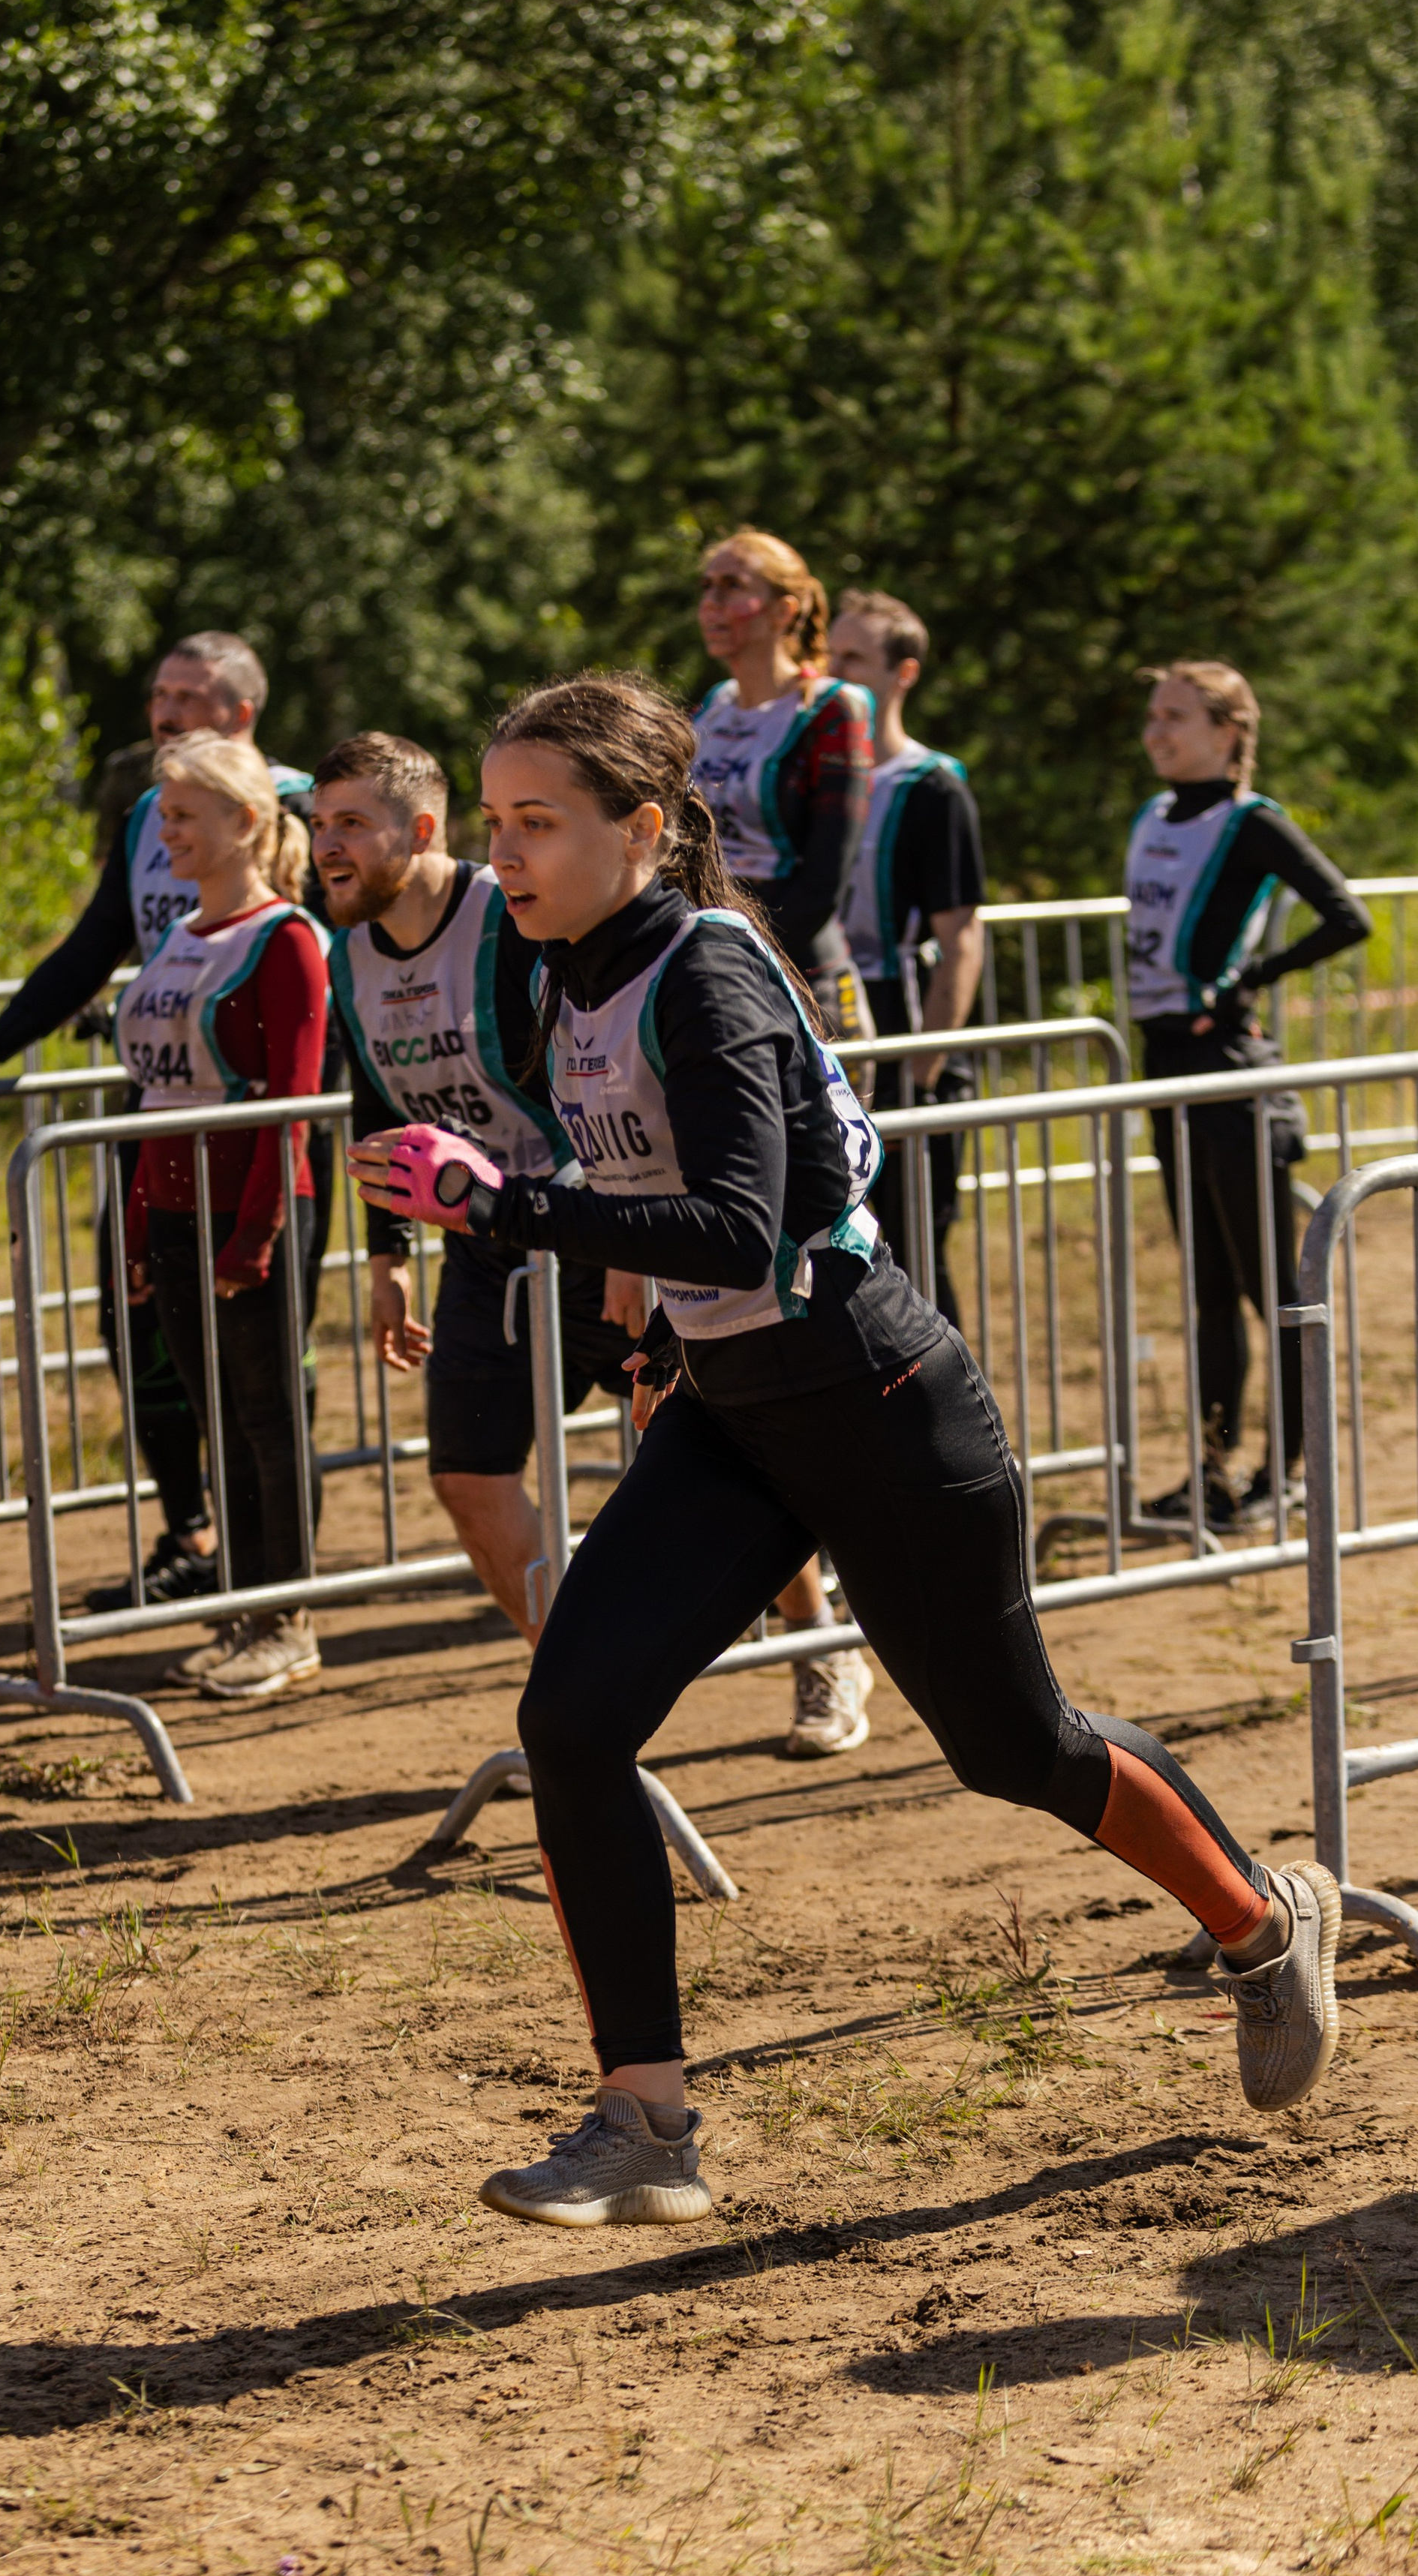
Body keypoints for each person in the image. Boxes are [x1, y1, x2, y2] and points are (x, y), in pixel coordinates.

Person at [352, 672, 1342, 2230]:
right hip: (735, 1418)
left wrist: (503, 1208)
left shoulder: (707, 972)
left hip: (878, 1404)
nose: (507, 857)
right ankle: (643, 2124)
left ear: (646, 828)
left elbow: (737, 1223)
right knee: (572, 1719)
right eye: (493, 824)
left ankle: (1258, 1920)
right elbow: (653, 1202)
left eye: (537, 823)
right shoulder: (564, 975)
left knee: (1012, 1749)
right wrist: (633, 1333)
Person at [0, 632, 314, 1608]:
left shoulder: (290, 806)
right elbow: (88, 953)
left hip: (260, 1121)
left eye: (191, 696)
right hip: (158, 1128)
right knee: (135, 1330)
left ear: (241, 717)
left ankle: (277, 1579)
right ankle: (194, 1534)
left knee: (261, 1371)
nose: (166, 710)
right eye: (159, 693)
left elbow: (319, 979)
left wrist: (302, 1117)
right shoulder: (152, 812)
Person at [316, 731, 641, 1640]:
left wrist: (631, 1239)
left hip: (590, 1217)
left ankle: (819, 1649)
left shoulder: (512, 919)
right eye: (316, 826)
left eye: (351, 824)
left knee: (700, 1450)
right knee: (467, 1475)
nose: (326, 847)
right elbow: (377, 1103)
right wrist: (388, 1256)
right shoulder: (348, 957)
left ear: (421, 829)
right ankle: (581, 1686)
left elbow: (601, 1070)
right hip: (480, 1239)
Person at [693, 529, 878, 1756]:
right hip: (692, 982)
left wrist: (726, 959)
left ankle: (849, 1618)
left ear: (789, 604)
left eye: (734, 586)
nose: (714, 605)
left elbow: (821, 870)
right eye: (704, 588)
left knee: (811, 1281)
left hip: (789, 983)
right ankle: (788, 1598)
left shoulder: (832, 712)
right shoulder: (705, 710)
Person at [1129, 663, 1371, 1530]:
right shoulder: (1155, 815)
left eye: (1176, 717)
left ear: (1229, 732)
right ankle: (1212, 1470)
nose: (1156, 731)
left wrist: (1246, 982)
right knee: (1206, 1288)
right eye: (1152, 716)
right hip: (1163, 1064)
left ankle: (1292, 1469)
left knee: (1276, 1287)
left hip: (1232, 1072)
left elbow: (1347, 915)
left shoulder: (1250, 821)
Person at [119, 731, 328, 1701]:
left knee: (265, 1418)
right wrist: (135, 1230)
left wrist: (256, 1233)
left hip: (249, 1214)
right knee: (214, 1419)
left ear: (245, 822)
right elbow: (151, 1105)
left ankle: (287, 1617)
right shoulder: (174, 937)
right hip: (171, 1210)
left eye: (186, 817)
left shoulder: (285, 939)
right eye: (163, 818)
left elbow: (293, 1101)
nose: (168, 834)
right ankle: (244, 1609)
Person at [828, 593, 987, 1332]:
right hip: (833, 1019)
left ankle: (959, 1427)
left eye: (854, 660)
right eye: (829, 658)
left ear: (903, 674)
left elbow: (962, 939)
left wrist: (925, 1068)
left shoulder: (932, 786)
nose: (834, 673)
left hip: (901, 1024)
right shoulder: (822, 778)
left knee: (918, 1251)